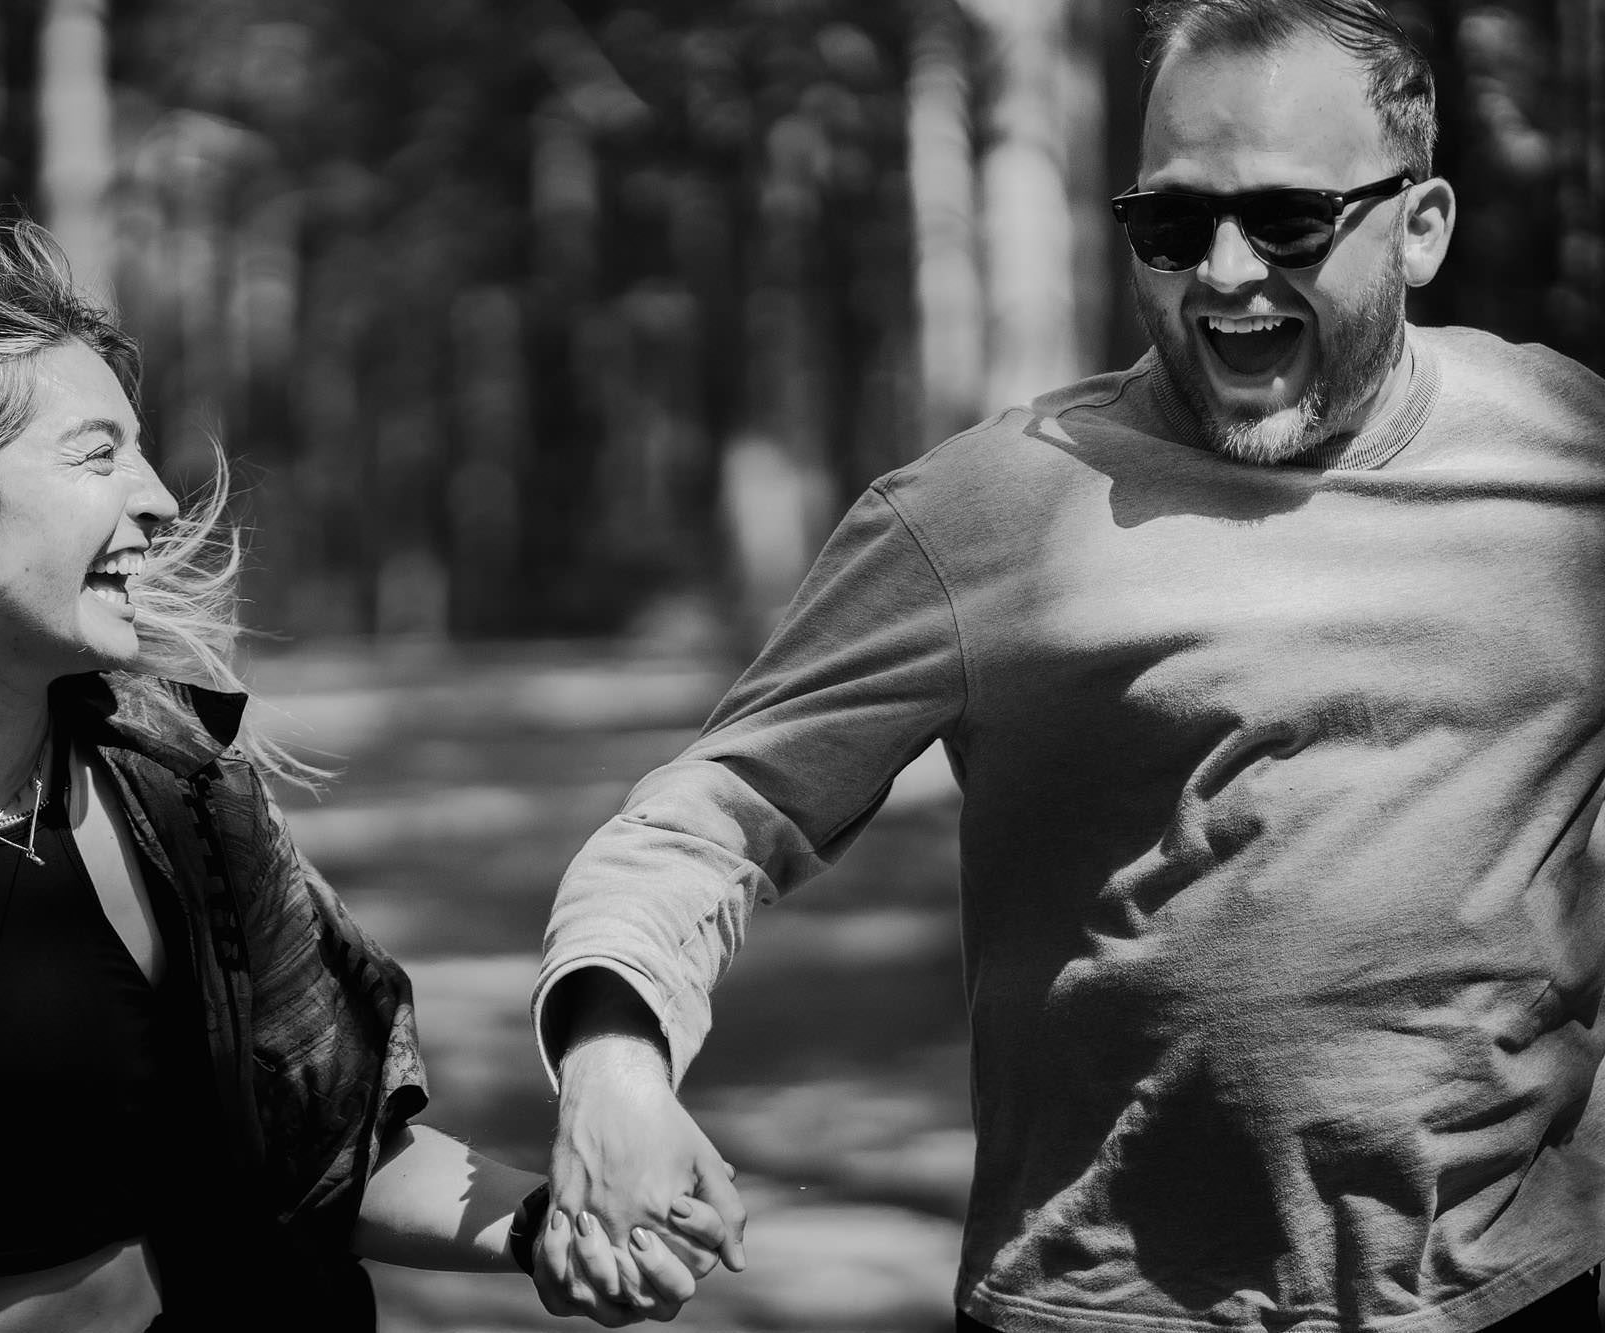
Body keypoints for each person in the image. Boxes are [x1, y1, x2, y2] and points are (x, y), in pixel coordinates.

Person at [530, 2, 1605, 1329]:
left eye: (1286, 221)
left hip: (1516, 1298)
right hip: (1097, 1309)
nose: (1222, 272)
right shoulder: (982, 514)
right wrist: (613, 1058)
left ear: (1422, 225)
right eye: (1171, 224)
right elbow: (708, 819)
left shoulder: (1570, 457)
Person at [0, 219, 727, 1332]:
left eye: (139, 450)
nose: (154, 496)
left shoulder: (177, 803)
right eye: (96, 454)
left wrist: (555, 1230)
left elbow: (329, 1142)